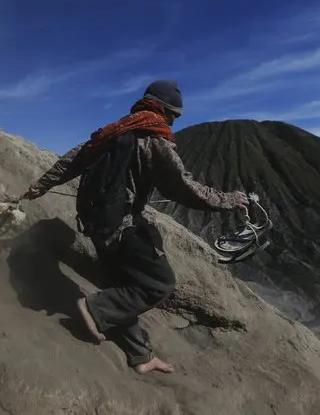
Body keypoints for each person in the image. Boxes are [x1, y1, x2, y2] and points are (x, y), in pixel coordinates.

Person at [22, 79, 250, 374]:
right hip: (121, 224)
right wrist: (228, 200)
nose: (174, 121)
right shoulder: (154, 139)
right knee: (159, 282)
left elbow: (71, 161)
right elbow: (183, 187)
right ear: (164, 109)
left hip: (94, 222)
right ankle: (95, 309)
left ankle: (140, 355)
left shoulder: (112, 131)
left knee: (121, 287)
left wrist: (39, 186)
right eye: (174, 115)